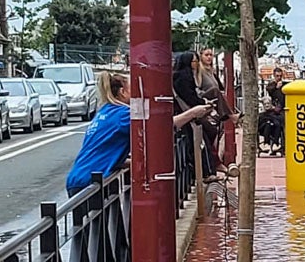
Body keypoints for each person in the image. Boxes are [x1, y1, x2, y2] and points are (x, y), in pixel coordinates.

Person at [66, 71, 209, 196]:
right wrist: (192, 113)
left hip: (79, 177)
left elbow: (105, 149)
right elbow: (160, 127)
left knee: (93, 226)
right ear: (122, 92)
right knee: (99, 225)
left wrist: (130, 162)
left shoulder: (105, 112)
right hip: (90, 180)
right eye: (131, 89)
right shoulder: (123, 115)